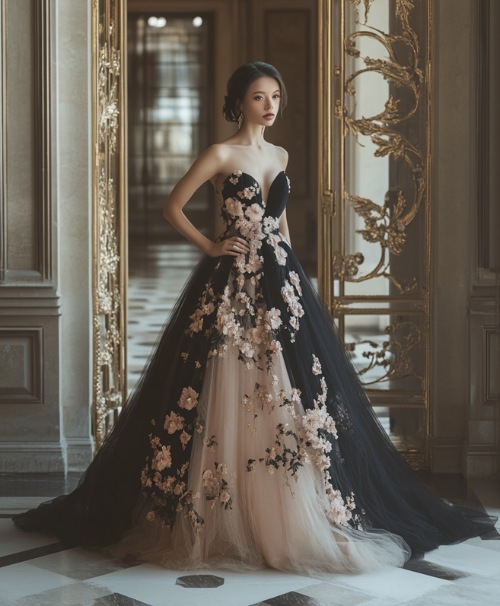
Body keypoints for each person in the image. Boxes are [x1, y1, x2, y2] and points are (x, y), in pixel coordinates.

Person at [13, 62, 496, 574]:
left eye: (276, 97)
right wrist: (213, 246)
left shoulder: (280, 154)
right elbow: (173, 206)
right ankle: (226, 514)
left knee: (291, 390)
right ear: (239, 103)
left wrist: (294, 278)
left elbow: (280, 222)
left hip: (280, 278)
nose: (270, 106)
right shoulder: (221, 154)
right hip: (233, 281)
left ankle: (290, 504)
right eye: (259, 97)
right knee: (227, 382)